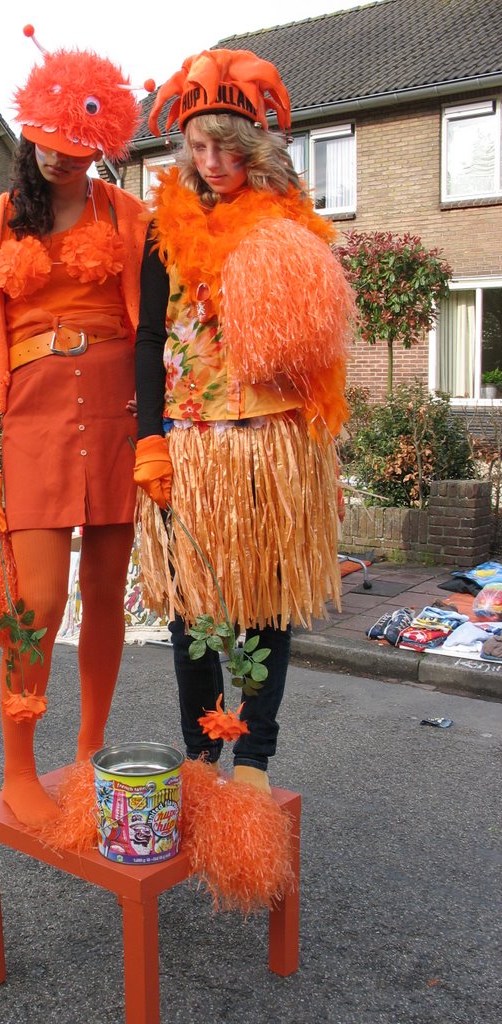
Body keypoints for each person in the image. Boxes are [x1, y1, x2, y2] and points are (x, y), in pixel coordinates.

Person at [133, 49, 355, 792]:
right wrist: (147, 443)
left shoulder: (287, 228)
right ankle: (200, 758)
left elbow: (317, 349)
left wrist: (319, 448)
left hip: (270, 445)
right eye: (198, 146)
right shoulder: (163, 230)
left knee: (264, 599)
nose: (213, 161)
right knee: (190, 607)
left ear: (257, 145)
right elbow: (146, 336)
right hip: (190, 444)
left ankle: (255, 759)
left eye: (228, 145)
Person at [0, 28, 147, 828]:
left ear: (102, 145)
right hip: (31, 418)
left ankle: (91, 749)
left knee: (107, 593)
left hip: (117, 416)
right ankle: (19, 763)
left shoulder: (133, 218)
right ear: (29, 133)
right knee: (35, 601)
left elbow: (166, 323)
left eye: (77, 149)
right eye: (48, 145)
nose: (61, 160)